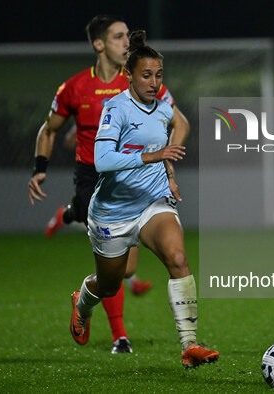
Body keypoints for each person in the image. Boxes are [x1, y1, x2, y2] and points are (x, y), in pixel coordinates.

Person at [27, 15, 190, 353]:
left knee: (128, 270)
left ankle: (70, 216)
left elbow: (175, 124)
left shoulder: (143, 81)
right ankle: (119, 334)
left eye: (127, 37)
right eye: (118, 37)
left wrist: (168, 169)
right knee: (118, 273)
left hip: (142, 185)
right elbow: (50, 128)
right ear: (98, 44)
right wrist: (39, 168)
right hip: (96, 180)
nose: (126, 43)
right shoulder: (74, 88)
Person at [70, 31, 219, 369]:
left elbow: (162, 150)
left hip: (153, 202)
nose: (154, 82)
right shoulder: (115, 109)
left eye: (159, 75)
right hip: (112, 213)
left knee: (178, 258)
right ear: (129, 76)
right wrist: (151, 157)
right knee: (108, 285)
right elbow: (102, 161)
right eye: (146, 75)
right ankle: (82, 304)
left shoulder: (164, 110)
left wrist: (169, 175)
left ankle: (190, 345)